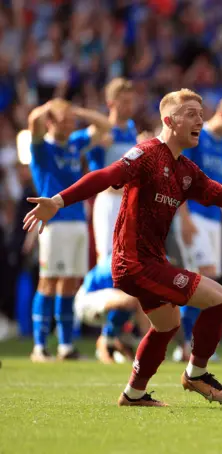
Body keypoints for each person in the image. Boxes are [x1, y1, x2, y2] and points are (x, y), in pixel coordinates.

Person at [23, 88, 222, 407]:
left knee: (167, 325)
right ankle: (196, 374)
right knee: (219, 298)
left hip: (152, 261)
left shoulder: (186, 171)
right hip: (134, 263)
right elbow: (106, 175)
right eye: (192, 114)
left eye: (201, 113)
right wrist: (58, 201)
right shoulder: (146, 154)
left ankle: (134, 393)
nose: (201, 120)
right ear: (169, 120)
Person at [27, 98, 111, 362]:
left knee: (70, 284)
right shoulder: (42, 148)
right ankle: (39, 347)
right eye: (64, 121)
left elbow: (105, 125)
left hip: (77, 221)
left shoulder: (74, 143)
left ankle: (65, 346)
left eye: (71, 122)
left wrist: (75, 109)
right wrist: (50, 107)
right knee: (48, 281)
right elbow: (33, 121)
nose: (70, 125)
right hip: (54, 223)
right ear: (51, 122)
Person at [173, 93, 222, 362]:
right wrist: (182, 216)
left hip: (214, 221)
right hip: (193, 215)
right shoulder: (199, 136)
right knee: (197, 279)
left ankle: (192, 344)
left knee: (208, 282)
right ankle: (186, 345)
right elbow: (179, 174)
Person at [86, 78, 139, 260]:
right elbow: (94, 172)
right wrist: (97, 145)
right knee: (108, 261)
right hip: (109, 201)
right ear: (110, 104)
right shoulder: (101, 133)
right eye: (124, 102)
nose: (129, 106)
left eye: (132, 101)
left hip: (131, 204)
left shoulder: (132, 131)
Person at [74, 254, 141, 364]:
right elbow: (117, 299)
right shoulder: (119, 263)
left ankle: (122, 340)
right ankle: (106, 341)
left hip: (108, 304)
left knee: (142, 299)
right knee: (130, 299)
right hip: (86, 303)